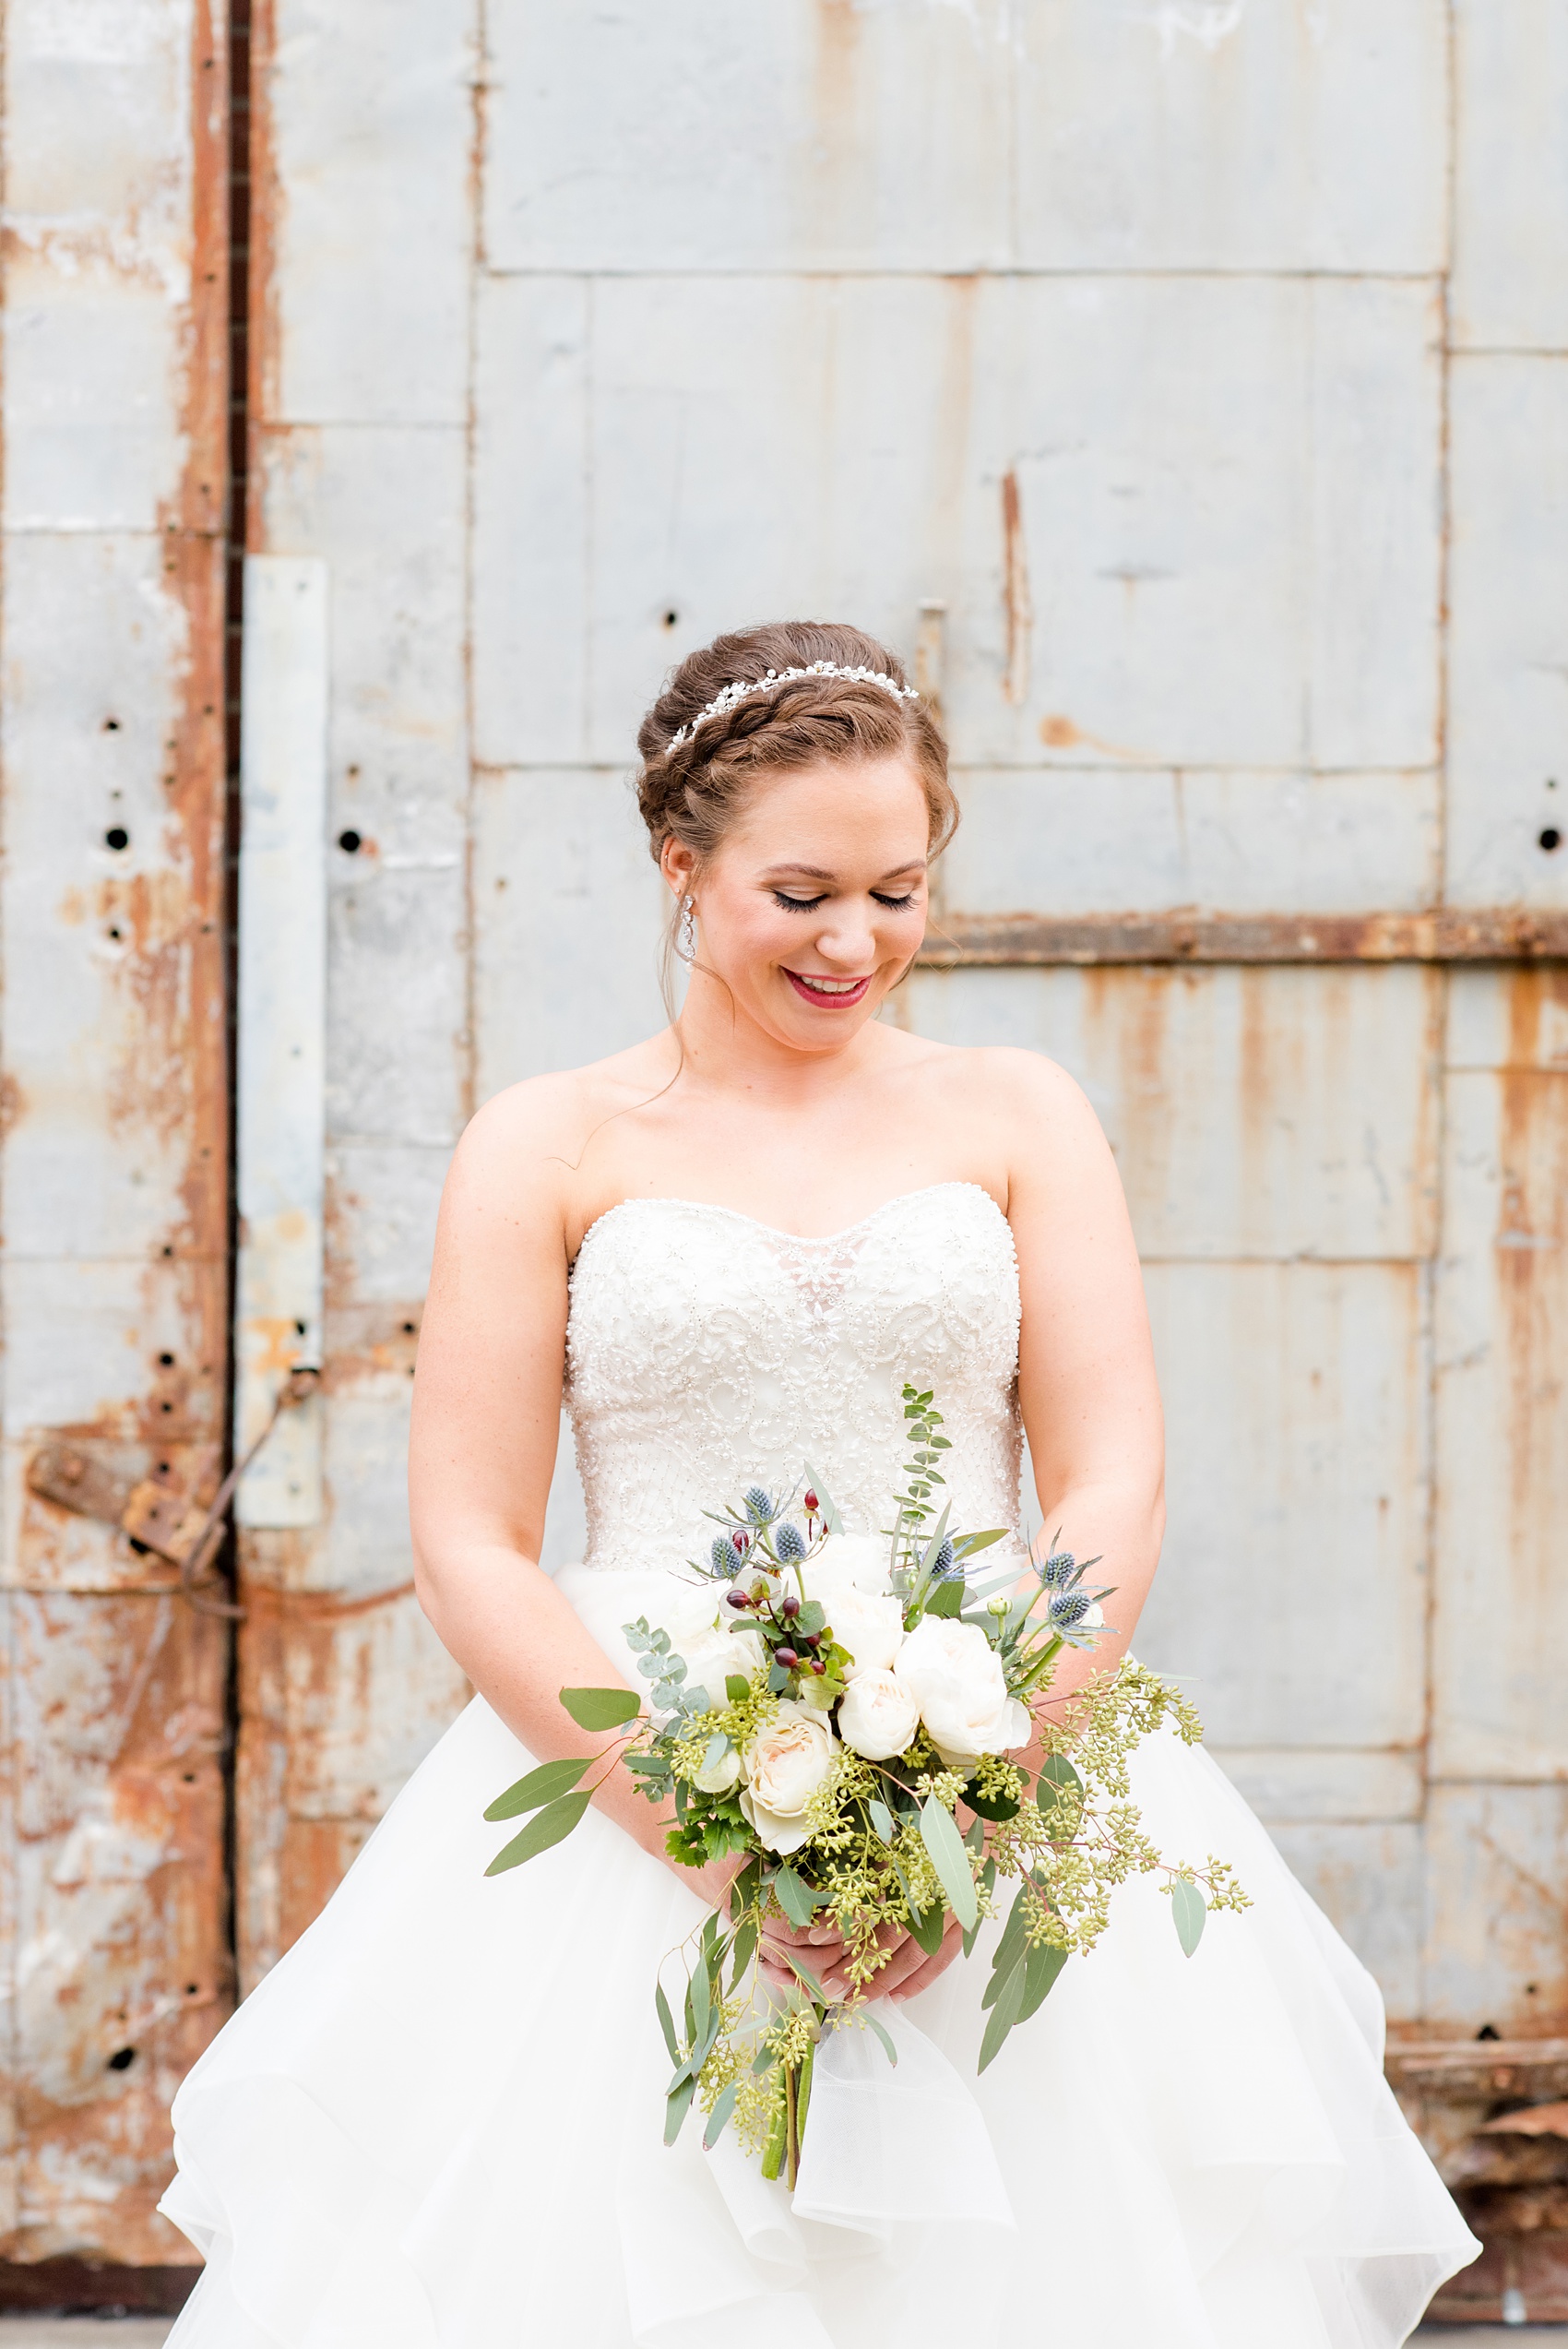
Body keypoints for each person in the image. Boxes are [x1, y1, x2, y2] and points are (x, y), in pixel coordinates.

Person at [160, 620, 1477, 2346]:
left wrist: (974, 1805)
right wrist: (713, 1845)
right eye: (802, 893)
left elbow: (1111, 1474)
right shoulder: (547, 1144)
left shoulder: (1018, 1110)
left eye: (899, 888)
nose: (857, 940)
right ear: (680, 864)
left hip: (998, 1761)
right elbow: (473, 1541)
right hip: (638, 1781)